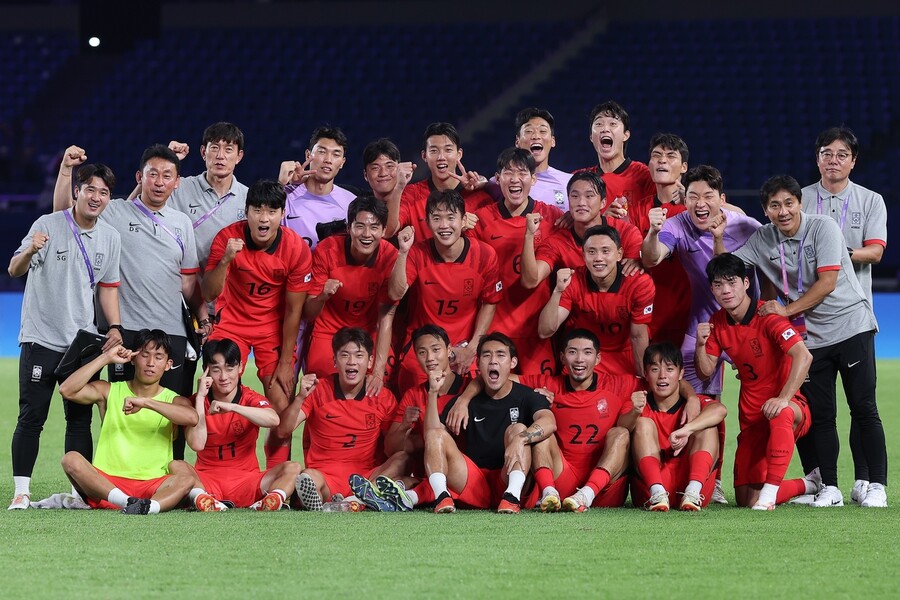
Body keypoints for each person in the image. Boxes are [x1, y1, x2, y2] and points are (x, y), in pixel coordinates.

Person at [722, 175, 886, 508]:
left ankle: (877, 486)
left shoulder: (823, 228)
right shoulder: (764, 238)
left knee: (863, 408)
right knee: (823, 416)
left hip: (851, 325)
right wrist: (715, 233)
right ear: (765, 210)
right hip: (813, 336)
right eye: (774, 205)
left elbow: (827, 282)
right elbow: (728, 267)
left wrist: (785, 311)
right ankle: (830, 488)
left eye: (788, 203)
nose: (782, 211)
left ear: (800, 203)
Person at [52, 144, 210, 460]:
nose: (160, 182)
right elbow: (63, 215)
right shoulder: (117, 212)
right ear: (140, 177)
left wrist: (203, 317)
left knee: (173, 410)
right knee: (123, 409)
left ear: (177, 182)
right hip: (126, 334)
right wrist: (66, 170)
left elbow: (189, 281)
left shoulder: (180, 223)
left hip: (172, 335)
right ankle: (121, 472)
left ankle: (173, 475)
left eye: (168, 175)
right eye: (153, 174)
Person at [7, 160, 122, 510]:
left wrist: (114, 327)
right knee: (32, 416)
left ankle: (79, 494)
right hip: (41, 337)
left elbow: (108, 288)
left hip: (82, 342)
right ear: (77, 191)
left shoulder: (110, 237)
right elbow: (14, 269)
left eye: (104, 193)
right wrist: (30, 249)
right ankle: (21, 492)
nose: (96, 197)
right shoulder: (47, 225)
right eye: (90, 189)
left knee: (79, 418)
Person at [801, 127, 887, 505]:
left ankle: (867, 482)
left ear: (853, 161)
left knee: (861, 405)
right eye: (826, 153)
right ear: (817, 159)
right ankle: (822, 484)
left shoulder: (870, 200)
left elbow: (875, 252)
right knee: (817, 411)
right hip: (810, 322)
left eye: (841, 154)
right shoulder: (799, 200)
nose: (833, 161)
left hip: (854, 318)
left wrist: (833, 251)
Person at [696, 253, 821, 509]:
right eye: (718, 285)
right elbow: (706, 371)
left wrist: (783, 397)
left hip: (790, 405)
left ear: (746, 283)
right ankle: (809, 484)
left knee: (781, 413)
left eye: (731, 282)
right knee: (744, 499)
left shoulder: (769, 316)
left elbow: (803, 356)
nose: (726, 290)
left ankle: (770, 494)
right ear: (712, 289)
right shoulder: (717, 322)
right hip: (752, 417)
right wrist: (699, 344)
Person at [203, 179, 312, 466]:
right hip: (232, 325)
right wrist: (226, 260)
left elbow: (293, 311)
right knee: (215, 390)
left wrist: (287, 361)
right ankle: (221, 471)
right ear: (246, 211)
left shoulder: (296, 249)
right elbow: (209, 293)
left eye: (272, 211)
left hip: (271, 331)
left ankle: (278, 479)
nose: (264, 218)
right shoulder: (227, 238)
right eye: (257, 210)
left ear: (281, 213)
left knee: (281, 407)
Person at [400, 333, 557, 513]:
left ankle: (511, 498)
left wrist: (521, 439)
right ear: (478, 363)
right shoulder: (463, 403)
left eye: (500, 355)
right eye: (486, 355)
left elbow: (549, 421)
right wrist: (433, 393)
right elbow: (432, 437)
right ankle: (442, 498)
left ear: (512, 363)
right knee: (435, 434)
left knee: (518, 429)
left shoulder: (528, 395)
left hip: (507, 476)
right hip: (475, 482)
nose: (493, 361)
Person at [641, 165, 760, 396]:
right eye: (693, 197)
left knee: (764, 400)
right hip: (703, 327)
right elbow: (652, 258)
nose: (700, 203)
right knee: (695, 401)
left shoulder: (747, 227)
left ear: (722, 199)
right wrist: (653, 232)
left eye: (708, 196)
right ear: (685, 200)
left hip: (748, 325)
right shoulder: (676, 225)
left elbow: (770, 270)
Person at [57, 330, 199, 514]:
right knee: (71, 459)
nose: (150, 363)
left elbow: (192, 418)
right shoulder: (109, 391)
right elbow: (66, 390)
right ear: (133, 358)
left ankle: (148, 507)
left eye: (158, 357)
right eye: (144, 355)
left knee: (186, 479)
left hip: (153, 484)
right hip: (107, 484)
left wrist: (146, 403)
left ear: (168, 364)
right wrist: (106, 357)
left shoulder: (175, 401)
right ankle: (128, 502)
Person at [275, 328, 404, 510]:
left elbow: (393, 447)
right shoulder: (318, 390)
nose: (352, 362)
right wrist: (300, 398)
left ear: (370, 361)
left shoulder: (382, 396)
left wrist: (406, 425)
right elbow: (283, 431)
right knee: (308, 477)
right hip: (326, 476)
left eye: (359, 355)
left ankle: (358, 497)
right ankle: (346, 501)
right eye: (345, 355)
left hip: (367, 477)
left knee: (402, 458)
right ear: (335, 361)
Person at [389, 189, 502, 393]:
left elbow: (490, 302)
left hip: (466, 345)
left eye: (451, 218)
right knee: (415, 383)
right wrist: (403, 252)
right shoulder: (416, 252)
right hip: (423, 349)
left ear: (463, 219)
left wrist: (472, 348)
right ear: (428, 222)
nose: (444, 226)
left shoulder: (485, 254)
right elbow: (396, 294)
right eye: (436, 218)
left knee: (482, 388)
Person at [179, 339, 302, 511]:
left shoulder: (250, 398)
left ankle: (272, 500)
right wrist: (200, 398)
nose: (223, 377)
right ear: (205, 370)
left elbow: (274, 420)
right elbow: (197, 444)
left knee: (293, 467)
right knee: (177, 466)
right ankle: (203, 499)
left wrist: (233, 407)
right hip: (207, 481)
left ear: (241, 368)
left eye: (230, 369)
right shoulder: (194, 402)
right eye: (216, 370)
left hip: (248, 481)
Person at [526, 329, 640, 512]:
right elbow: (504, 380)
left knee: (621, 433)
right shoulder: (550, 384)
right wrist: (466, 398)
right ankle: (548, 492)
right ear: (562, 357)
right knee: (543, 433)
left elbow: (663, 378)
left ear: (598, 358)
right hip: (561, 482)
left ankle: (586, 494)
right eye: (572, 352)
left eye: (587, 352)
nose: (579, 359)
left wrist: (690, 397)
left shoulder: (616, 385)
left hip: (603, 490)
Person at [473, 148, 563, 375]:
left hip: (536, 332)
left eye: (522, 173)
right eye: (508, 173)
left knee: (541, 400)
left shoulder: (551, 216)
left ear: (533, 179)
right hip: (495, 331)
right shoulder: (480, 220)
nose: (515, 179)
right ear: (497, 178)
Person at [303, 196, 398, 393]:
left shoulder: (390, 256)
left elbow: (386, 318)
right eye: (360, 226)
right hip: (329, 331)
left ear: (383, 231)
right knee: (321, 389)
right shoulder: (326, 250)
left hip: (368, 332)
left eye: (374, 227)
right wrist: (323, 296)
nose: (367, 234)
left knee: (382, 385)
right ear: (349, 228)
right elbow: (309, 313)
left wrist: (378, 371)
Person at [539, 225, 654, 377]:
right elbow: (545, 331)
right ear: (583, 255)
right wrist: (557, 291)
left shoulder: (640, 283)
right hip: (586, 356)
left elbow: (638, 336)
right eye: (591, 252)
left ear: (619, 254)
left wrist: (642, 377)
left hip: (626, 354)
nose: (598, 258)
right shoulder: (572, 281)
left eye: (605, 251)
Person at [631, 343, 726, 511]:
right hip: (650, 487)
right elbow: (622, 427)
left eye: (669, 369)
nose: (662, 376)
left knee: (706, 425)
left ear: (681, 373)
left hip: (692, 482)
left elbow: (720, 410)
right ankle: (657, 492)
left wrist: (687, 429)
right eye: (655, 370)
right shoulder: (639, 403)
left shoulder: (694, 404)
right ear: (645, 374)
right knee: (642, 422)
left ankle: (693, 492)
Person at [520, 171, 644, 292]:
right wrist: (529, 235)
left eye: (589, 196)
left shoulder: (627, 233)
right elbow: (530, 281)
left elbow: (635, 285)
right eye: (575, 196)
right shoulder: (557, 241)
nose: (581, 203)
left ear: (603, 203)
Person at [631, 134, 692, 347]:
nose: (662, 160)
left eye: (670, 156)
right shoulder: (637, 209)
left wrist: (691, 200)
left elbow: (731, 215)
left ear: (684, 167)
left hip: (691, 319)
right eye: (656, 155)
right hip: (646, 318)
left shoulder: (696, 211)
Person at [167, 122, 248, 271]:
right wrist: (167, 161)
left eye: (228, 149)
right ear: (204, 152)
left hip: (230, 287)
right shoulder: (179, 187)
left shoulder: (248, 197)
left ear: (239, 156)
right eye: (215, 148)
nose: (220, 156)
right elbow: (139, 207)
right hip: (184, 283)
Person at [397, 122, 493, 241]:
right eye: (434, 151)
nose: (441, 157)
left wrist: (485, 183)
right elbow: (390, 229)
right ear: (424, 156)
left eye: (448, 150)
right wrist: (398, 187)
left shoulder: (481, 199)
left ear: (459, 154)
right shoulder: (411, 194)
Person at [574, 100, 656, 220]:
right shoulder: (578, 179)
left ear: (625, 135)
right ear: (591, 137)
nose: (605, 129)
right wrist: (602, 221)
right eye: (599, 124)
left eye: (613, 123)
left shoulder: (644, 175)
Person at [280, 126, 357, 250]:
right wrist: (280, 184)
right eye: (322, 151)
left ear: (342, 162)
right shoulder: (285, 196)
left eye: (336, 154)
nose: (328, 160)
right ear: (308, 154)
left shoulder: (352, 203)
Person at [360, 138, 415, 238]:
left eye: (389, 166)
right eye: (375, 168)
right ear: (365, 175)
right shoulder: (360, 204)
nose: (383, 173)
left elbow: (387, 231)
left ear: (400, 169)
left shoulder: (410, 199)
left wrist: (399, 187)